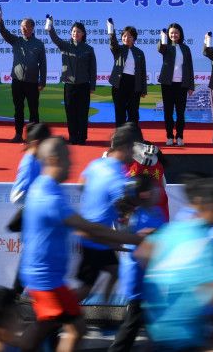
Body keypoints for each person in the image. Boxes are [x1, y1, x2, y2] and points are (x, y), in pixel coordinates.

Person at [19, 137, 143, 352]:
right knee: (68, 328)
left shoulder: (44, 187)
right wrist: (138, 239)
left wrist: (110, 241)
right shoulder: (49, 197)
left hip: (46, 277)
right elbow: (88, 228)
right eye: (67, 159)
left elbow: (82, 230)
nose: (72, 164)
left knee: (63, 327)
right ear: (53, 159)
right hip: (46, 279)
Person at [136, 178, 213, 351]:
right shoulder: (204, 240)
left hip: (156, 328)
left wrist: (160, 281)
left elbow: (141, 253)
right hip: (185, 335)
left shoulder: (171, 229)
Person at [75, 123, 136, 301]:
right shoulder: (119, 179)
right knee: (85, 289)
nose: (133, 155)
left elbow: (81, 184)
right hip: (95, 238)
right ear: (125, 148)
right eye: (132, 150)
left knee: (116, 271)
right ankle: (58, 313)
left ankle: (105, 306)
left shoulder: (96, 163)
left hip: (93, 235)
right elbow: (125, 213)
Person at [109, 174, 166, 352]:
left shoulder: (155, 211)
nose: (159, 191)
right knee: (133, 323)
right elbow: (136, 244)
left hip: (150, 277)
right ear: (145, 194)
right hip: (139, 276)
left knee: (146, 323)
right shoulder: (136, 217)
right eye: (155, 188)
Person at [8, 122, 52, 293]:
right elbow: (16, 195)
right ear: (37, 143)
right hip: (33, 220)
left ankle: (17, 296)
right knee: (33, 260)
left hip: (37, 220)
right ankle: (15, 297)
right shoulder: (29, 162)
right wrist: (39, 202)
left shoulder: (37, 160)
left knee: (33, 260)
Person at [0, 14, 47, 143]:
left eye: (26, 26)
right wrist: (0, 22)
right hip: (17, 81)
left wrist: (42, 81)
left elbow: (43, 64)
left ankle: (33, 137)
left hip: (32, 82)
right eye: (22, 26)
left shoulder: (39, 44)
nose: (23, 29)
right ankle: (18, 134)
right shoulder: (16, 41)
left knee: (33, 110)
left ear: (32, 28)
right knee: (18, 109)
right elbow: (4, 32)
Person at [47, 18, 96, 145]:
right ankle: (73, 137)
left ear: (83, 34)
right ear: (71, 33)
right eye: (74, 31)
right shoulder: (65, 46)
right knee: (70, 112)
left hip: (84, 85)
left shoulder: (88, 49)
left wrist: (92, 86)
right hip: (69, 85)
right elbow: (55, 38)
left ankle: (82, 137)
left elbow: (92, 69)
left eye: (78, 31)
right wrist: (50, 26)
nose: (76, 33)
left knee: (83, 112)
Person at [157, 23, 195, 146]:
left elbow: (190, 67)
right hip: (167, 84)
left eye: (176, 32)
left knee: (180, 113)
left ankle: (179, 136)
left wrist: (191, 85)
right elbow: (160, 49)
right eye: (172, 33)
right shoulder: (166, 46)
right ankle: (169, 136)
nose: (174, 35)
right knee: (168, 112)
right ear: (168, 34)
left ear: (180, 34)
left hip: (182, 85)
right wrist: (162, 38)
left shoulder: (185, 48)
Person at [109, 24, 147, 127]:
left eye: (129, 36)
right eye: (124, 36)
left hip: (134, 83)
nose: (126, 38)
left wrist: (143, 90)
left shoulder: (139, 53)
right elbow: (113, 43)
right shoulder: (118, 49)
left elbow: (143, 72)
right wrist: (111, 30)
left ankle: (133, 134)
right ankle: (120, 135)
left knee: (133, 112)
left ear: (134, 38)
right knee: (120, 111)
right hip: (119, 83)